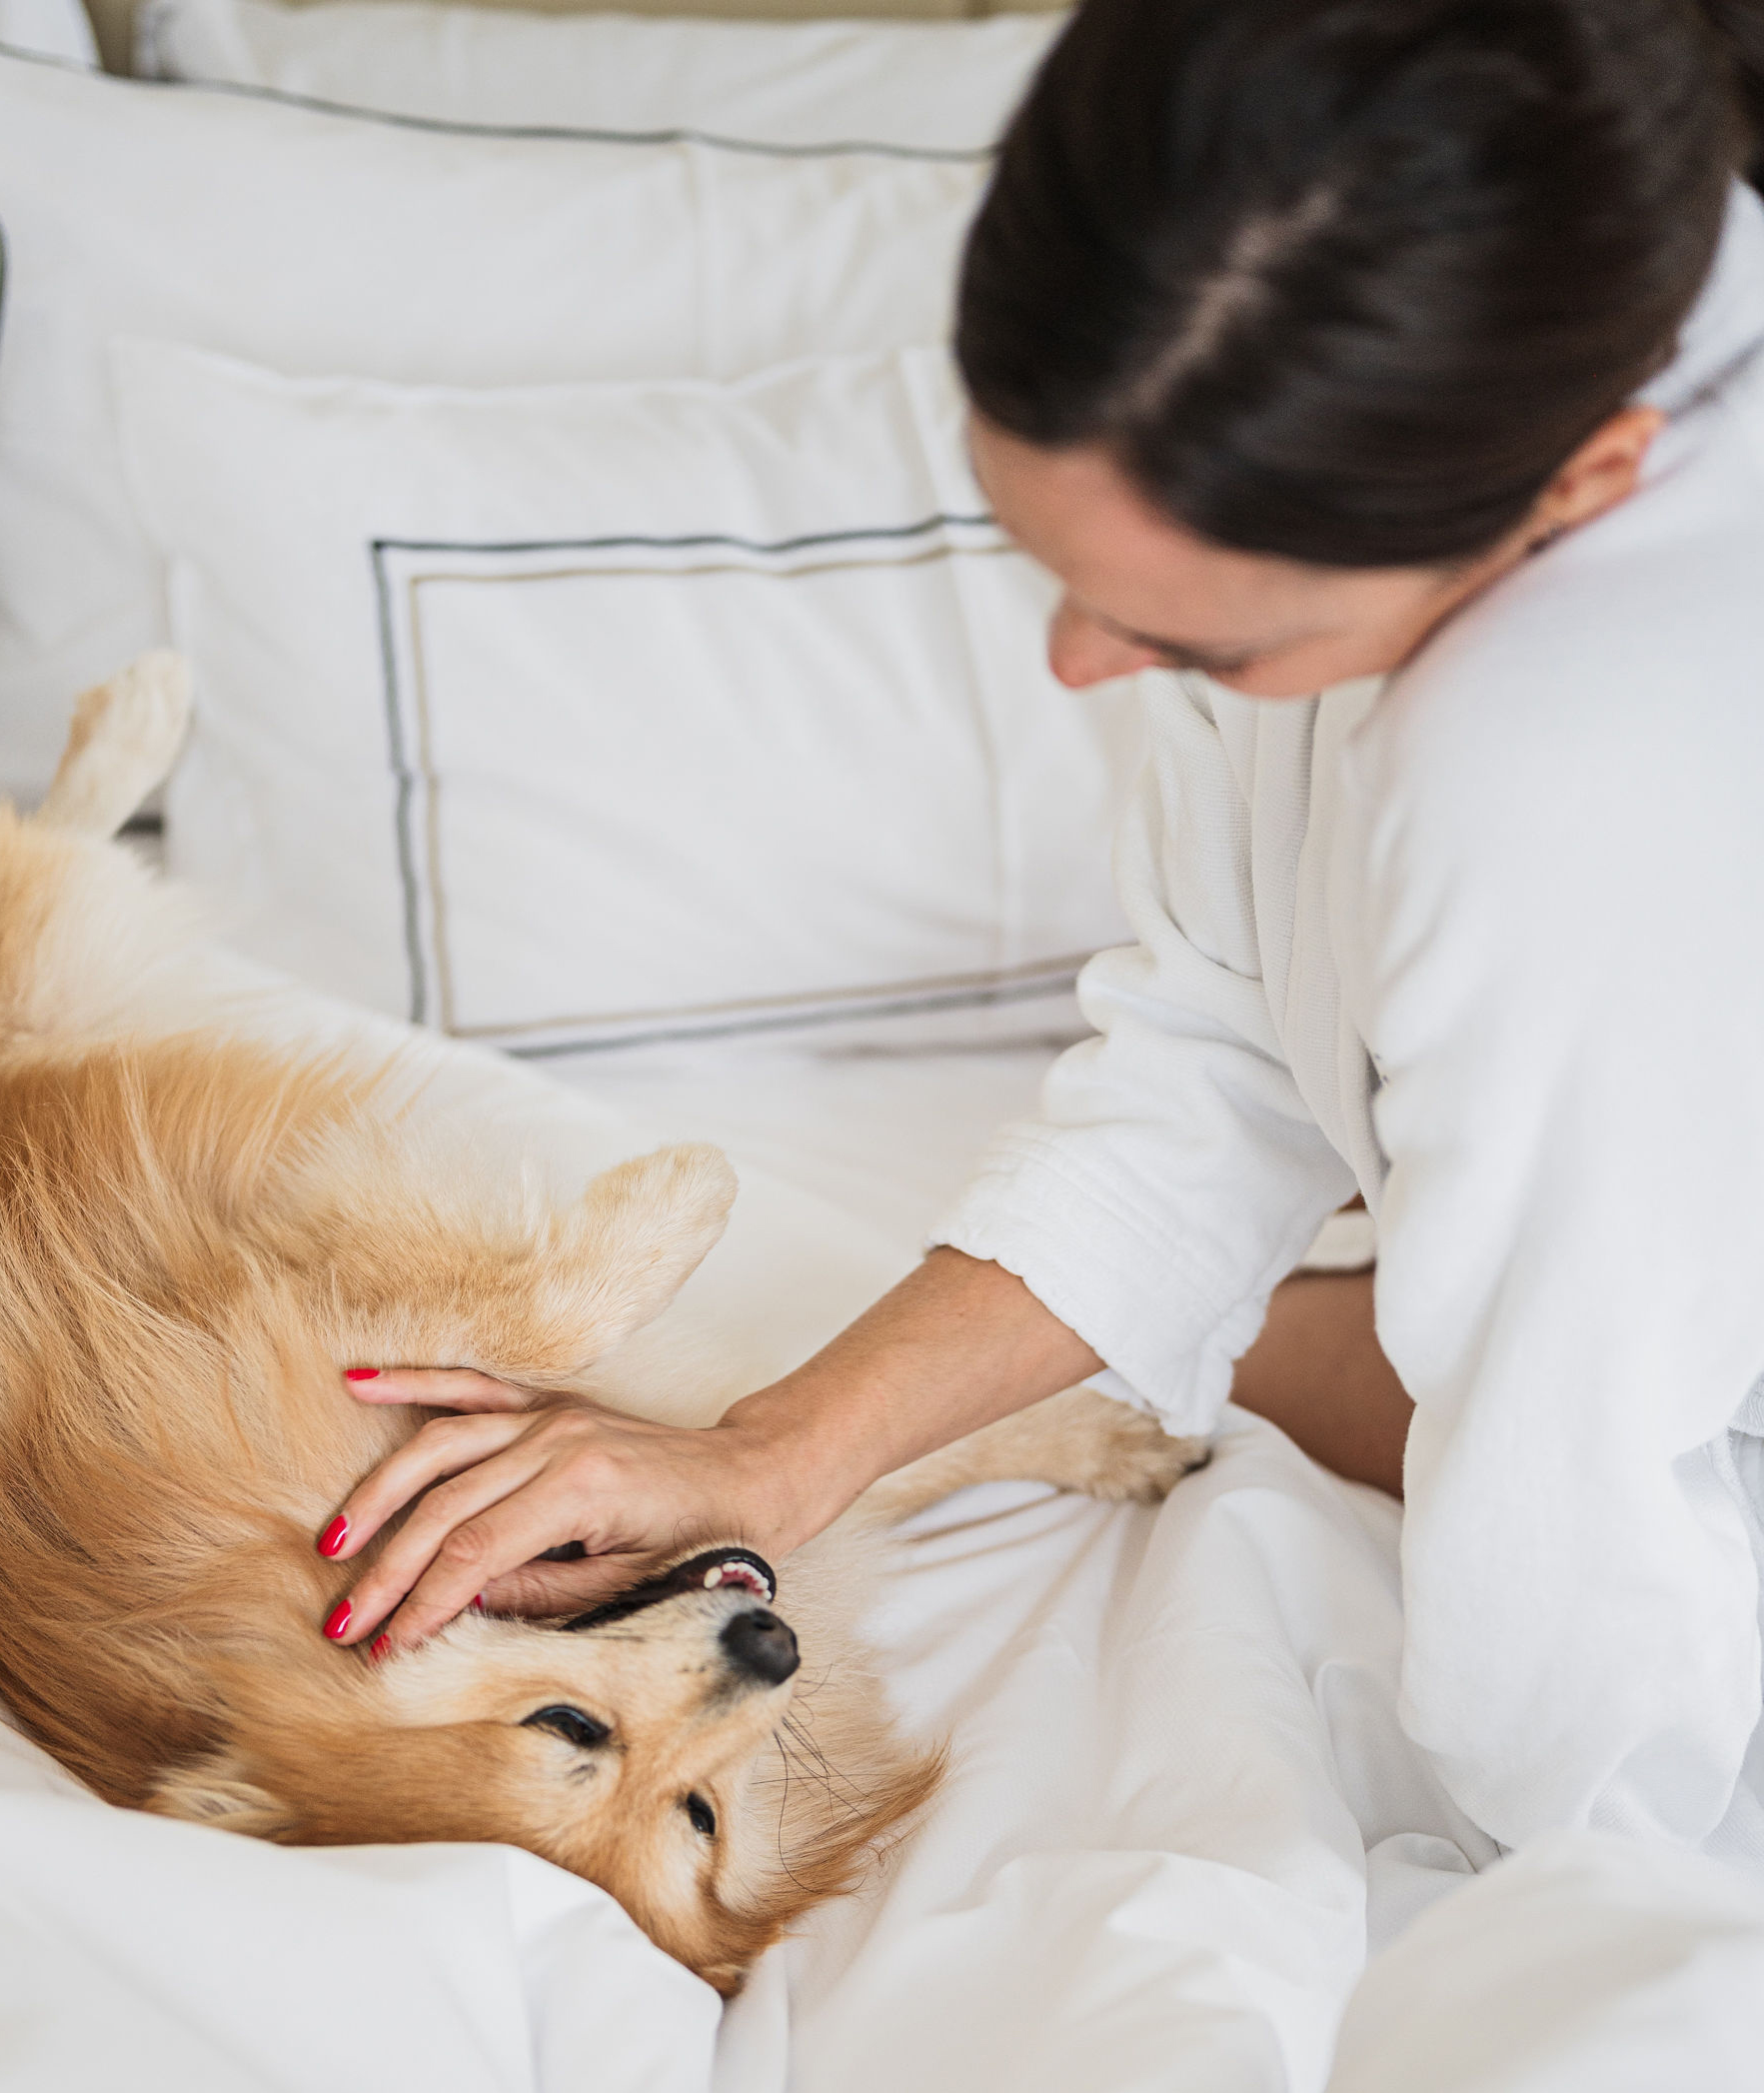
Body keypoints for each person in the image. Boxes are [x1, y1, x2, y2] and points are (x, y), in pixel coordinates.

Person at [320, 0, 1764, 1861]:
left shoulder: (1580, 761)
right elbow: (1227, 1041)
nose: (1079, 662)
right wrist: (770, 1448)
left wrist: (1578, 1910)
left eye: (1205, 642)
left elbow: (1578, 1509)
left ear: (1585, 482)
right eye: (1066, 573)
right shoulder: (1368, 383)